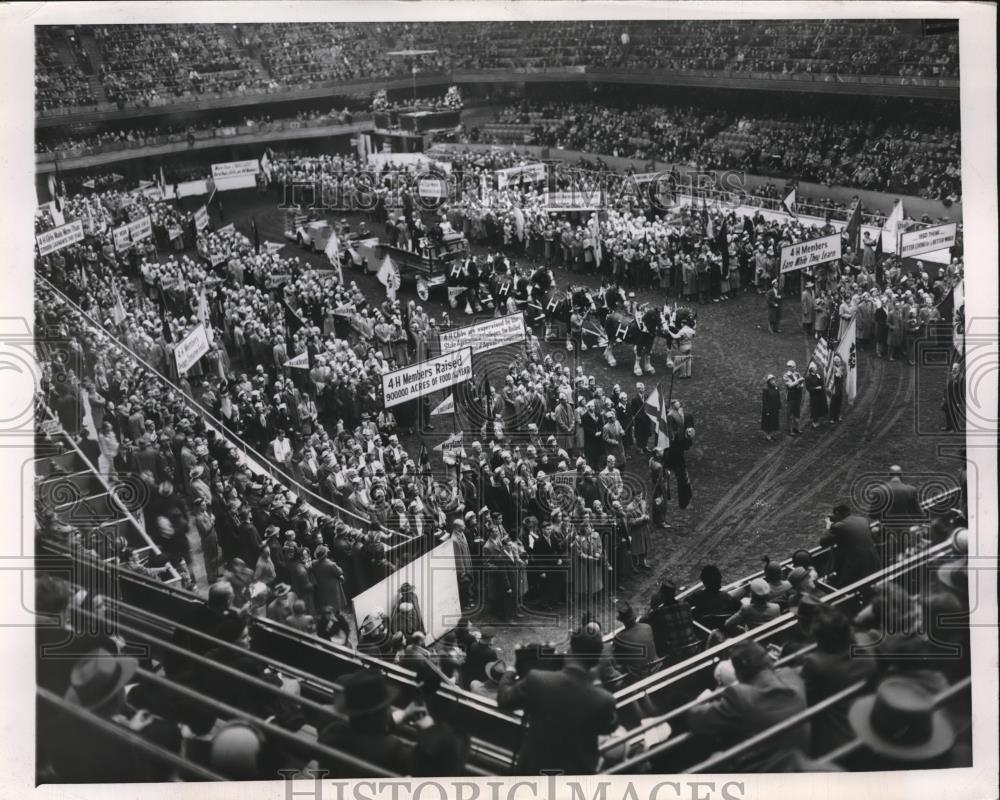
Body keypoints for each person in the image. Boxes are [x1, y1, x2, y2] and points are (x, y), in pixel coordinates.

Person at [496, 624, 618, 775]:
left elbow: (504, 699)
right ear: (596, 660)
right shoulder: (604, 700)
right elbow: (609, 726)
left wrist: (511, 670)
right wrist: (596, 682)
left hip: (534, 773)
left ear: (570, 650)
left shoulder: (537, 680)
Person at [687, 640, 810, 772]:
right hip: (803, 760)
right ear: (768, 659)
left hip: (770, 772)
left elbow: (696, 718)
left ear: (739, 668)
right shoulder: (792, 676)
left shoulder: (740, 696)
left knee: (714, 758)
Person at [800, 605, 877, 756]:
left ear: (820, 640)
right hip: (870, 723)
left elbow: (805, 698)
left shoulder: (815, 663)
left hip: (838, 736)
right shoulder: (867, 647)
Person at [820, 503, 880, 588]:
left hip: (857, 570)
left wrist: (829, 526)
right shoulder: (863, 520)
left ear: (837, 513)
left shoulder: (838, 526)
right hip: (875, 563)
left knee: (838, 585)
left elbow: (823, 543)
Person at [641, 579, 699, 662]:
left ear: (662, 596)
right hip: (693, 647)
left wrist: (653, 608)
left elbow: (643, 621)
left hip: (676, 654)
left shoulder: (660, 612)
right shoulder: (686, 605)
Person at [611, 601, 657, 682]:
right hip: (656, 667)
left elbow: (619, 660)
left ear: (622, 620)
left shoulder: (619, 637)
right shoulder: (647, 627)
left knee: (620, 666)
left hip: (639, 675)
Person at [782, 360, 804, 436]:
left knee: (797, 411)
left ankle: (797, 427)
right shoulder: (786, 375)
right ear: (789, 367)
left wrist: (800, 385)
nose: (794, 368)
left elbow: (802, 385)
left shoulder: (798, 374)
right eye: (792, 367)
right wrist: (798, 381)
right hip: (791, 396)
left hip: (798, 395)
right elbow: (790, 385)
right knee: (790, 413)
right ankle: (790, 429)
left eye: (794, 366)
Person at [804, 362, 828, 427]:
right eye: (814, 367)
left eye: (815, 367)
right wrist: (815, 388)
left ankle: (820, 420)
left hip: (820, 394)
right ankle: (815, 422)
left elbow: (822, 383)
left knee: (821, 407)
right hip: (814, 395)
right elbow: (808, 388)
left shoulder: (818, 375)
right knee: (815, 408)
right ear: (811, 369)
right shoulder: (808, 377)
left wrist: (819, 378)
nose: (816, 368)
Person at [760, 374, 781, 441]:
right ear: (769, 381)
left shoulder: (776, 388)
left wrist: (779, 405)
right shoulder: (766, 389)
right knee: (768, 422)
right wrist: (767, 410)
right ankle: (768, 436)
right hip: (769, 409)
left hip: (775, 408)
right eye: (771, 380)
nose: (773, 381)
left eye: (773, 379)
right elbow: (764, 400)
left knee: (774, 422)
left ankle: (771, 435)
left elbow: (778, 397)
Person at [828, 353, 846, 423]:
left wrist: (841, 372)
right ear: (834, 362)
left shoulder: (842, 368)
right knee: (833, 403)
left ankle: (838, 416)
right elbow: (830, 378)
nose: (838, 362)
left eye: (839, 361)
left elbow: (844, 376)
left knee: (839, 403)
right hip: (834, 388)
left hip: (840, 388)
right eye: (837, 361)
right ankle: (832, 417)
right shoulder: (832, 369)